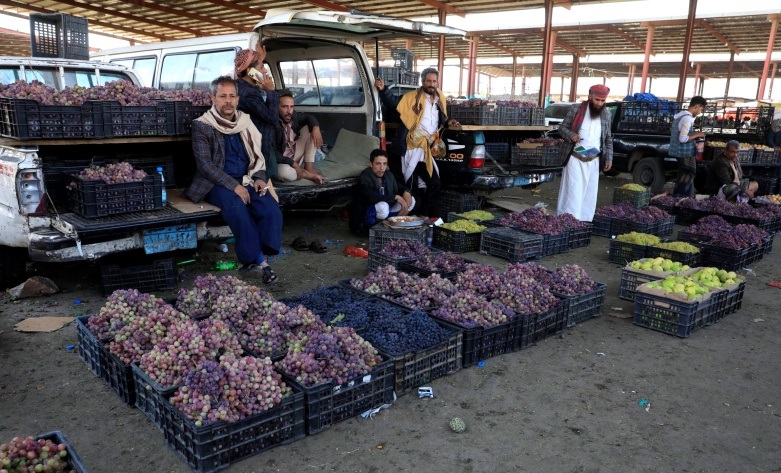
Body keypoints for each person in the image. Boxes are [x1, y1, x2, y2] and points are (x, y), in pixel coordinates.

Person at [186, 76, 282, 285]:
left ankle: (258, 254)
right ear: (213, 99)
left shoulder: (245, 122)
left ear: (238, 99)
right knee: (237, 208)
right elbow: (205, 166)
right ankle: (259, 262)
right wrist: (235, 186)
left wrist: (258, 177)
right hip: (217, 183)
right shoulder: (203, 125)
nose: (227, 101)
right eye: (222, 96)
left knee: (269, 207)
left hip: (247, 178)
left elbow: (258, 155)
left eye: (232, 96)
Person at [375, 67, 460, 216]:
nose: (431, 84)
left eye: (434, 81)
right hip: (411, 147)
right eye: (428, 81)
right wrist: (383, 90)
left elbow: (440, 120)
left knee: (434, 183)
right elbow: (394, 103)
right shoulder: (412, 97)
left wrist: (448, 123)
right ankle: (414, 218)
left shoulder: (440, 98)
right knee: (412, 186)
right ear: (423, 81)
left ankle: (426, 216)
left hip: (427, 150)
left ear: (437, 82)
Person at [555, 84, 614, 222]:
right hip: (575, 158)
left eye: (602, 101)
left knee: (589, 195)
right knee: (573, 194)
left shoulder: (606, 114)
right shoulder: (576, 109)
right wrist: (571, 135)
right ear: (590, 97)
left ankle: (584, 223)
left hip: (594, 160)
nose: (599, 103)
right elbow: (562, 128)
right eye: (597, 100)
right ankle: (568, 222)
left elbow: (608, 138)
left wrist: (609, 158)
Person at [234, 47, 281, 178]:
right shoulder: (248, 93)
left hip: (258, 144)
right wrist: (271, 91)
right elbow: (271, 117)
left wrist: (260, 57)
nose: (265, 70)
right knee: (266, 176)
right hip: (257, 147)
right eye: (262, 67)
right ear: (250, 71)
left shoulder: (244, 86)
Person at [349, 149, 415, 234]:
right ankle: (377, 230)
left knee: (411, 200)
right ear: (370, 164)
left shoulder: (388, 175)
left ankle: (394, 226)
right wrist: (395, 197)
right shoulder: (365, 177)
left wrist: (407, 192)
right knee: (383, 207)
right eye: (378, 164)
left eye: (384, 164)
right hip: (364, 219)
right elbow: (372, 198)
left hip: (386, 211)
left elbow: (400, 188)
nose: (382, 168)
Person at [274, 90, 326, 184]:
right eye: (284, 106)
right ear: (275, 107)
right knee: (283, 172)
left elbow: (309, 118)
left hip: (294, 153)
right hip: (281, 161)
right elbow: (272, 154)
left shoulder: (292, 115)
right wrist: (293, 164)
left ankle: (308, 167)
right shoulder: (270, 123)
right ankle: (306, 174)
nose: (289, 111)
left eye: (291, 107)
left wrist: (316, 128)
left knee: (311, 129)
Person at [669, 96, 708, 197]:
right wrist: (697, 135)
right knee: (689, 173)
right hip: (684, 153)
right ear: (696, 106)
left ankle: (678, 195)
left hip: (679, 152)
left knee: (683, 174)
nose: (700, 112)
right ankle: (684, 196)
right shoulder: (687, 118)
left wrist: (693, 136)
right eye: (701, 109)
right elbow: (682, 138)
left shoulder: (680, 116)